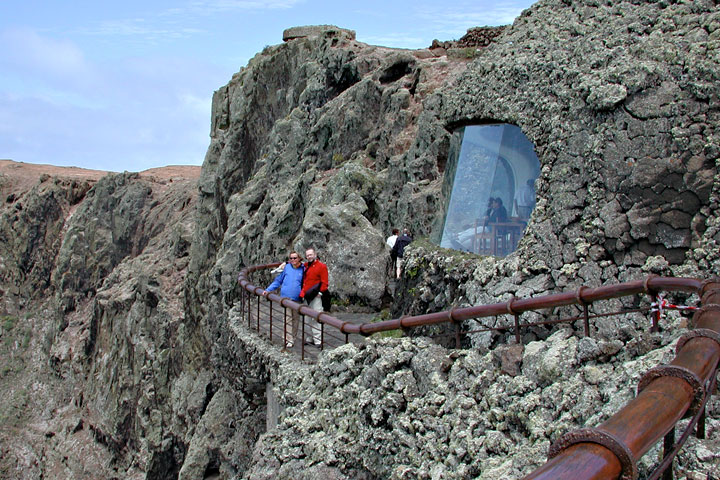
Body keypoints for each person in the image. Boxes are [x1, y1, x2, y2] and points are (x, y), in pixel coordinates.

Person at [262, 251, 304, 348]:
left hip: (297, 298)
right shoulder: (287, 268)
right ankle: (288, 339)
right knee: (287, 318)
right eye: (291, 258)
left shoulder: (303, 269)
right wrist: (268, 290)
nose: (293, 260)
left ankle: (292, 337)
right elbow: (278, 281)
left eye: (295, 258)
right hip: (285, 297)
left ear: (299, 258)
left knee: (296, 319)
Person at [300, 247, 329, 346]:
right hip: (306, 295)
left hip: (316, 296)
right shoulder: (305, 266)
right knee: (307, 318)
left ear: (315, 255)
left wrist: (320, 293)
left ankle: (318, 340)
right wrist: (285, 264)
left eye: (310, 255)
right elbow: (295, 264)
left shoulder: (322, 266)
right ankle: (309, 338)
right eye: (307, 255)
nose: (309, 257)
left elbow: (325, 282)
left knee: (316, 317)